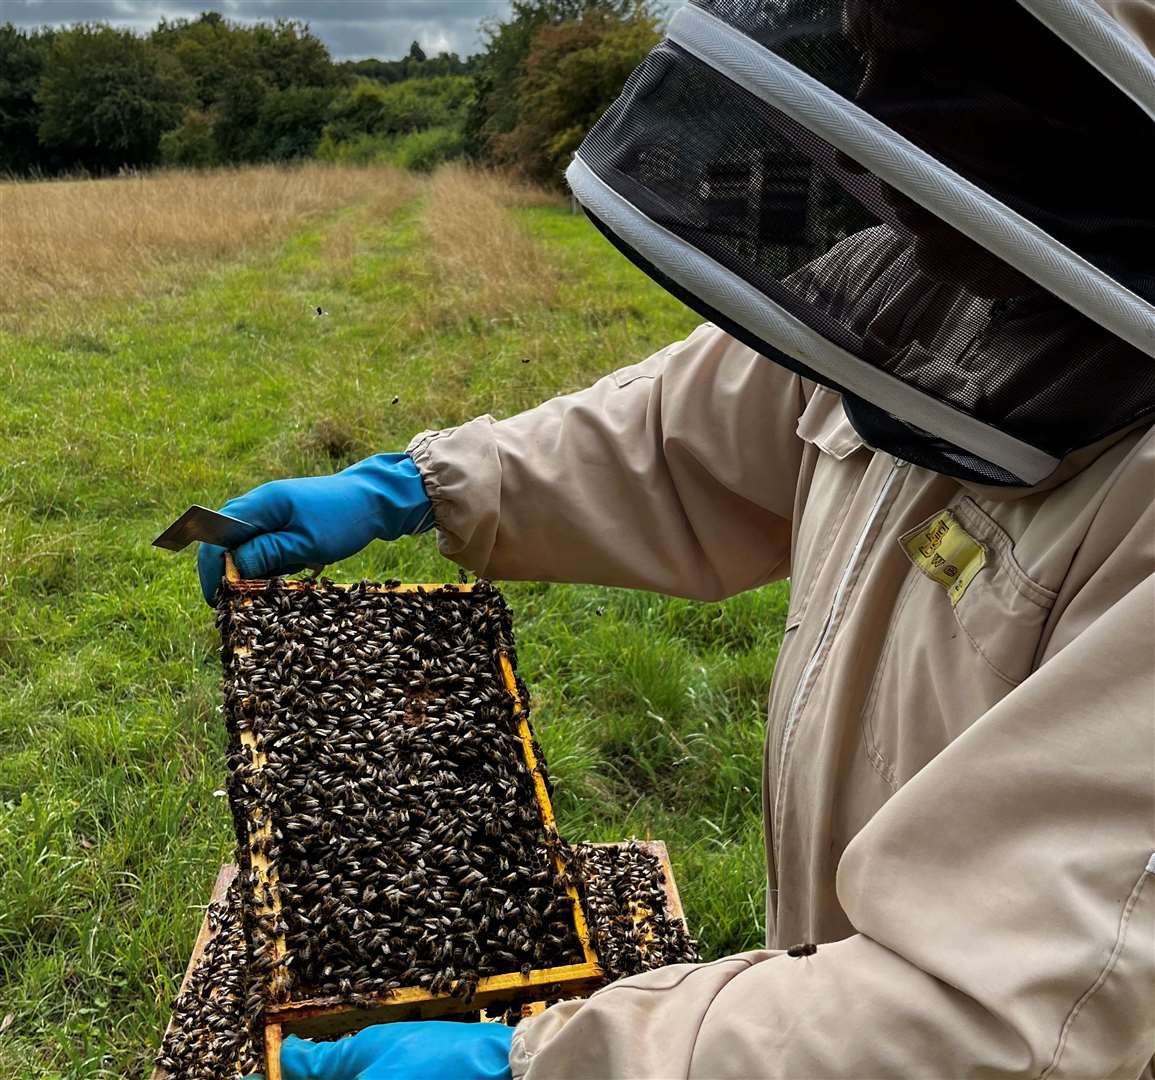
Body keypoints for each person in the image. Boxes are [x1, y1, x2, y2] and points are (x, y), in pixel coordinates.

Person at [201, 1, 1155, 1076]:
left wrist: (541, 1065)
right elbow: (680, 428)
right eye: (867, 56)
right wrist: (421, 486)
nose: (864, 120)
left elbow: (999, 1025)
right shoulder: (939, 288)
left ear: (1100, 99)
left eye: (933, 67)